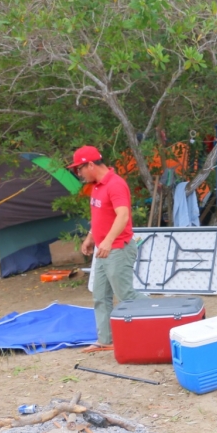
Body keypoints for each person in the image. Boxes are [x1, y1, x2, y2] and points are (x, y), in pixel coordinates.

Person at [68, 145, 145, 353]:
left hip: (118, 249)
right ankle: (106, 340)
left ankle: (163, 314)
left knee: (126, 294)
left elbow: (122, 216)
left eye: (79, 169)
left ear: (90, 165)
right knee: (100, 296)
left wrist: (109, 241)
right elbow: (100, 217)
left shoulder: (115, 184)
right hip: (103, 251)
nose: (79, 173)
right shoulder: (95, 186)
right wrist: (90, 238)